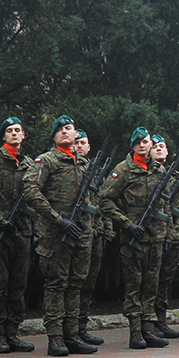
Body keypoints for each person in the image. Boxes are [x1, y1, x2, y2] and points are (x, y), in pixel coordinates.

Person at [24, 115, 98, 356]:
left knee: (76, 284)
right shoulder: (46, 161)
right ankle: (55, 338)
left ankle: (72, 334)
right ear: (54, 136)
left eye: (70, 128)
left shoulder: (84, 164)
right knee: (56, 284)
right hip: (55, 234)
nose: (66, 132)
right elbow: (31, 192)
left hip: (80, 233)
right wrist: (57, 219)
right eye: (61, 129)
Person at [99, 127, 171, 349]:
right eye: (138, 142)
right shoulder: (123, 170)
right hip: (133, 237)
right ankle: (135, 331)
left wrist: (167, 232)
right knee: (133, 284)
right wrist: (126, 223)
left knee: (151, 284)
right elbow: (105, 200)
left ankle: (148, 327)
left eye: (146, 141)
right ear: (132, 146)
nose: (142, 145)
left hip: (155, 235)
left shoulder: (159, 170)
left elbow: (165, 203)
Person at [0, 117, 36, 354]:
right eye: (9, 131)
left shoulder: (28, 164)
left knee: (18, 284)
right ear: (3, 136)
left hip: (23, 231)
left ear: (23, 135)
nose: (14, 133)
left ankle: (13, 333)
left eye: (18, 130)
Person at [74, 129, 112, 346]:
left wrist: (107, 232)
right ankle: (68, 329)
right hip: (76, 232)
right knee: (73, 282)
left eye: (84, 143)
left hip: (95, 233)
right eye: (77, 142)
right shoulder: (69, 170)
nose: (80, 146)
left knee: (89, 282)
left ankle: (81, 327)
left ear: (89, 148)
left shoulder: (98, 173)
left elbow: (103, 205)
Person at [150, 134, 179, 338]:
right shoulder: (148, 174)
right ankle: (148, 322)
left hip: (174, 234)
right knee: (151, 280)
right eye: (154, 146)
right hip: (155, 233)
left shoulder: (175, 176)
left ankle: (160, 319)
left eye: (161, 146)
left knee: (165, 280)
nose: (158, 149)